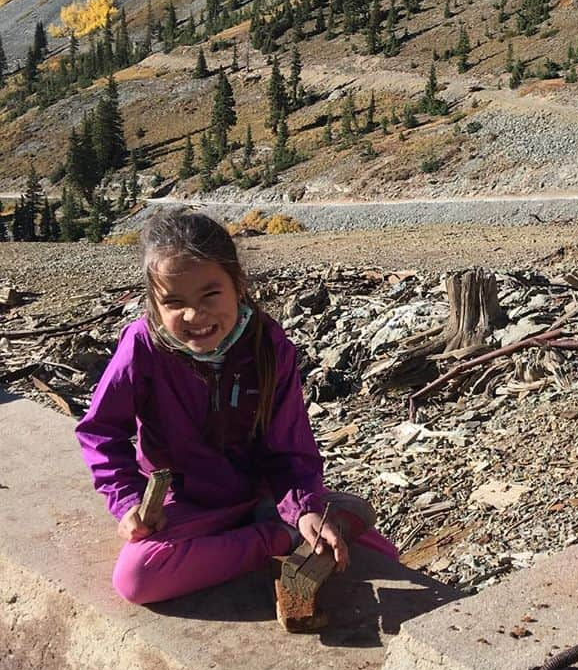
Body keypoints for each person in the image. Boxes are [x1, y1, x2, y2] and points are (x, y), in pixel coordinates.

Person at [75, 209, 396, 605]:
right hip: (187, 504)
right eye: (174, 302)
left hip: (261, 495)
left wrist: (303, 507)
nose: (194, 315)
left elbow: (289, 447)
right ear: (154, 304)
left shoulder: (267, 344)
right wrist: (127, 501)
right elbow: (101, 431)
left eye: (210, 294)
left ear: (237, 284)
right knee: (137, 578)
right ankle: (280, 536)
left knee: (383, 556)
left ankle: (299, 519)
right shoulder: (143, 346)